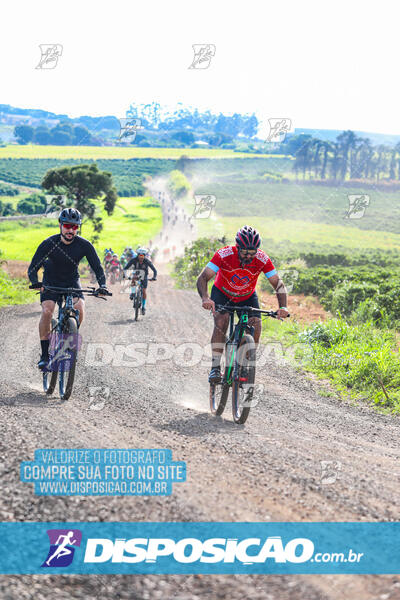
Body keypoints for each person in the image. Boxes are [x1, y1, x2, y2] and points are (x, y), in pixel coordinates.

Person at [196, 225, 289, 383]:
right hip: (222, 294)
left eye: (252, 253)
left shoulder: (262, 259)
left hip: (247, 295)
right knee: (222, 321)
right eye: (245, 252)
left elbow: (278, 284)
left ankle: (244, 366)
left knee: (256, 327)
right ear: (237, 248)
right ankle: (215, 367)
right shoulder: (224, 254)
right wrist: (205, 298)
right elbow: (203, 278)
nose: (249, 256)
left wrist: (283, 307)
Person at [28, 208, 108, 370]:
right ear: (60, 225)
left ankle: (67, 339)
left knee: (79, 308)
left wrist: (103, 285)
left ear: (78, 228)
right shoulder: (49, 243)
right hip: (51, 281)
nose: (71, 230)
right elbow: (34, 266)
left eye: (74, 227)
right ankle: (44, 356)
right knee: (47, 311)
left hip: (71, 281)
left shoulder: (84, 245)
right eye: (67, 226)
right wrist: (36, 282)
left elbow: (97, 267)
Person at [123, 247, 157, 314]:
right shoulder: (134, 260)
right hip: (137, 274)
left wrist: (154, 277)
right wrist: (125, 275)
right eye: (140, 256)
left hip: (144, 275)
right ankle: (133, 293)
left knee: (144, 291)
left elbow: (154, 270)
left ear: (144, 256)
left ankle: (143, 307)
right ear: (137, 255)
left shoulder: (147, 261)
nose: (141, 258)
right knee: (133, 278)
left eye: (142, 256)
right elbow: (126, 268)